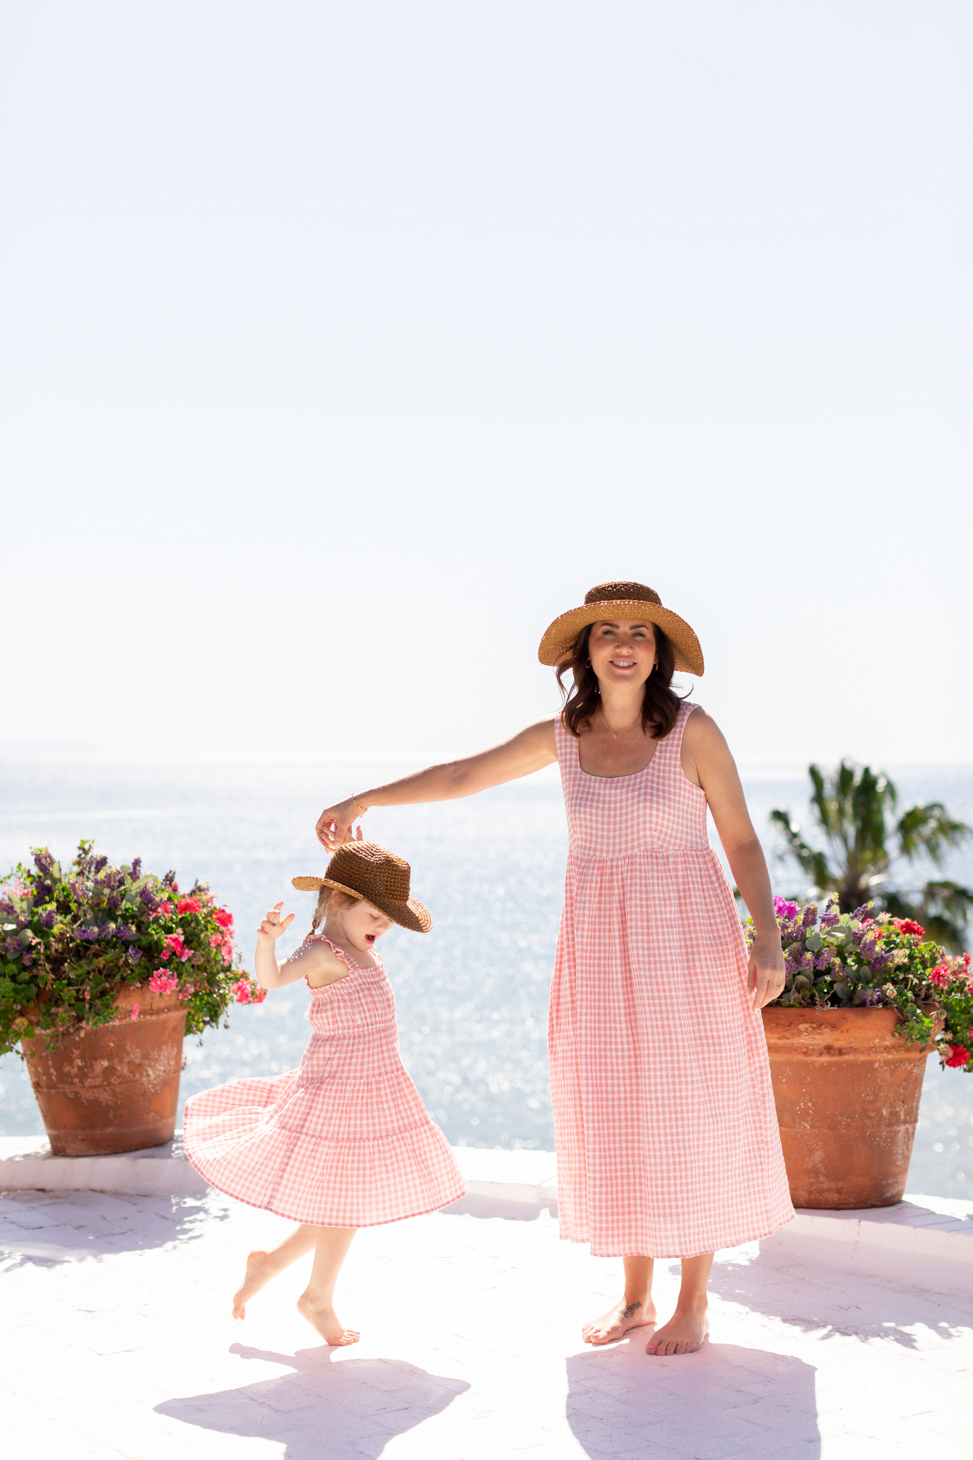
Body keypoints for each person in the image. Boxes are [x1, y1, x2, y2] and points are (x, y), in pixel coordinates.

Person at [315, 580, 794, 1358]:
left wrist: (765, 939)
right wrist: (366, 797)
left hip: (687, 940)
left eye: (640, 632)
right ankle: (636, 1296)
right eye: (608, 630)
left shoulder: (691, 732)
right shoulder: (562, 737)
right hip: (600, 948)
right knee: (618, 1105)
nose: (624, 643)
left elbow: (739, 839)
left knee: (691, 1106)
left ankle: (693, 1301)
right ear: (586, 651)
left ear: (658, 651)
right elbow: (462, 775)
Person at [183, 840, 465, 1346]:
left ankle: (271, 1266)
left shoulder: (364, 949)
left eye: (388, 921)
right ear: (339, 902)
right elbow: (270, 979)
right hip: (336, 1089)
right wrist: (266, 943)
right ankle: (315, 1296)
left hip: (375, 1086)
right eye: (375, 914)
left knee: (340, 1200)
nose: (381, 928)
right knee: (344, 1201)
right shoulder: (321, 951)